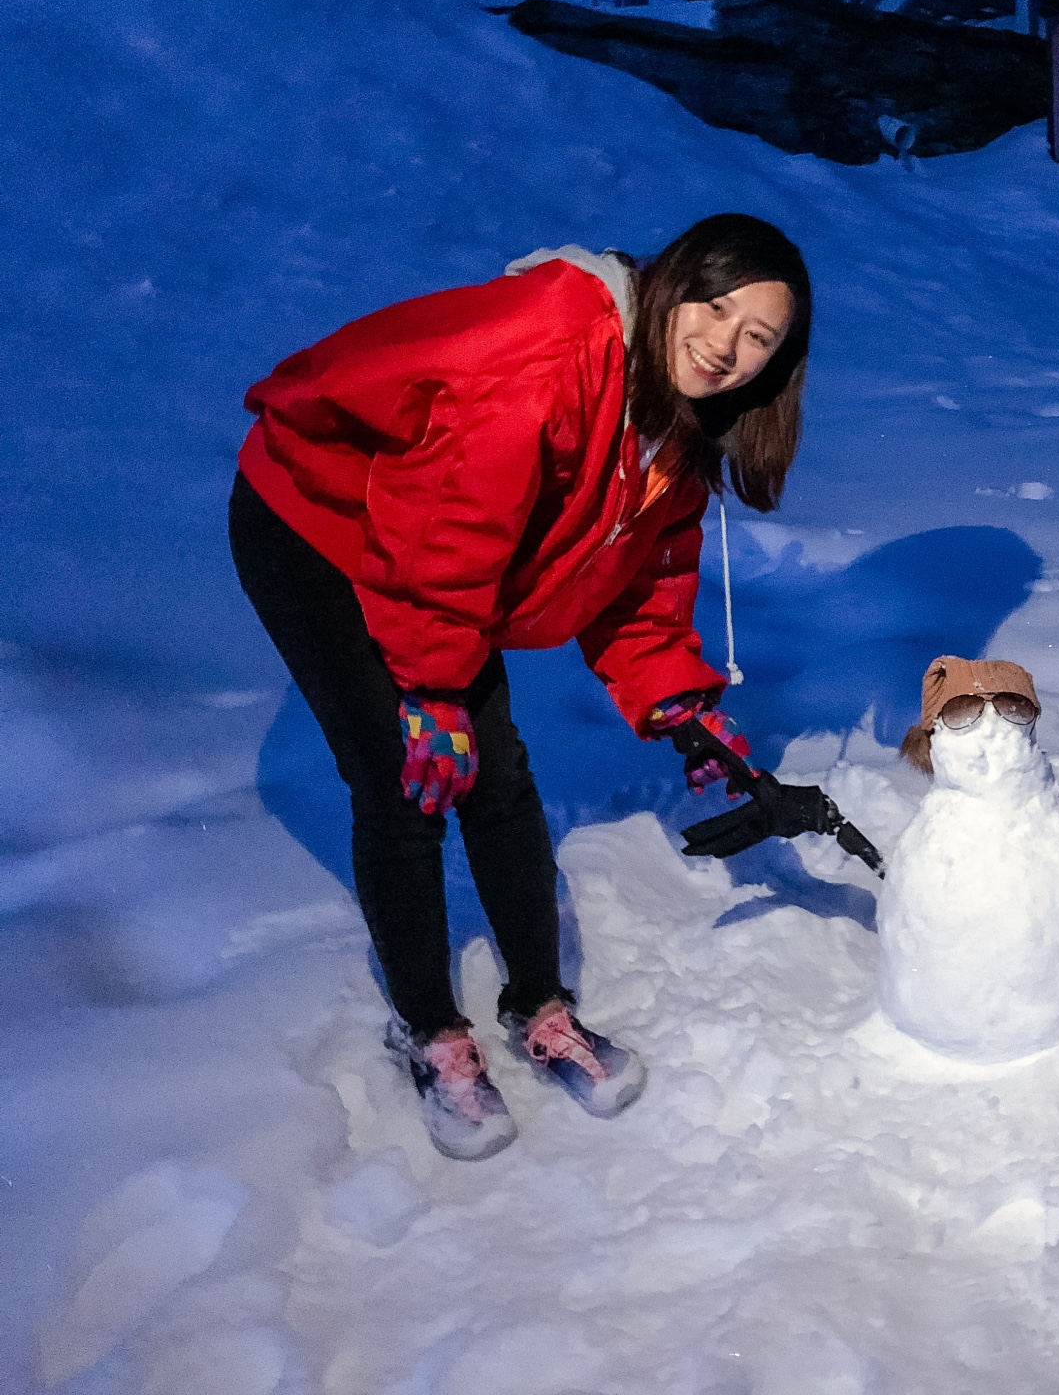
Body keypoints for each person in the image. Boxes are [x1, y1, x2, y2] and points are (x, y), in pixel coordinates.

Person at [230, 214, 811, 1157]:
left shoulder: (676, 416)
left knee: (495, 774)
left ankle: (541, 1008)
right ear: (674, 282)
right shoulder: (553, 348)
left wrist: (678, 699)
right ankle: (430, 1029)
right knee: (407, 775)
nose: (728, 347)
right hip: (323, 525)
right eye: (717, 308)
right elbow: (448, 518)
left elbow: (646, 571)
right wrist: (430, 694)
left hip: (436, 560)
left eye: (760, 340)